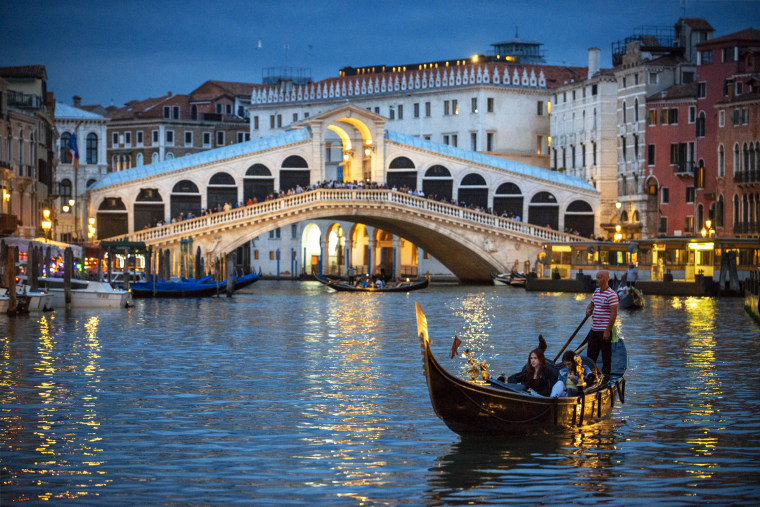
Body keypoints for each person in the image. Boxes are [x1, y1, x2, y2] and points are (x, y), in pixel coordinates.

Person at [584, 270, 618, 383]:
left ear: (605, 279)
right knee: (590, 355)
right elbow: (591, 304)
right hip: (594, 329)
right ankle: (590, 376)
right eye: (597, 277)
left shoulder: (612, 295)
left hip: (604, 330)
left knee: (605, 356)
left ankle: (606, 377)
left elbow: (614, 314)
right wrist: (588, 310)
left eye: (599, 277)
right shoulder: (597, 291)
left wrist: (607, 331)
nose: (596, 279)